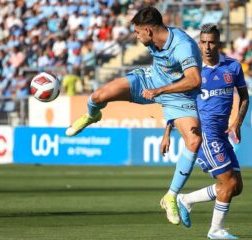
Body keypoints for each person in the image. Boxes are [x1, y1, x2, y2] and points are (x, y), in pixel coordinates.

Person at [65, 6, 202, 225]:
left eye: (137, 32)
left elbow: (195, 80)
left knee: (194, 140)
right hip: (149, 81)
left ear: (148, 30)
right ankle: (93, 116)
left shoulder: (183, 46)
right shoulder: (154, 40)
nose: (136, 36)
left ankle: (171, 196)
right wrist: (167, 126)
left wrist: (160, 91)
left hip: (179, 97)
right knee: (98, 96)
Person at [160, 24, 249, 239]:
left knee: (236, 187)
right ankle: (215, 231)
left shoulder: (233, 67)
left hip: (222, 134)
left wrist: (237, 121)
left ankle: (185, 200)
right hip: (205, 133)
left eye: (212, 42)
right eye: (203, 42)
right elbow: (176, 103)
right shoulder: (192, 72)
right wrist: (167, 131)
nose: (207, 47)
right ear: (199, 43)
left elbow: (244, 97)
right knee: (229, 182)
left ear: (219, 43)